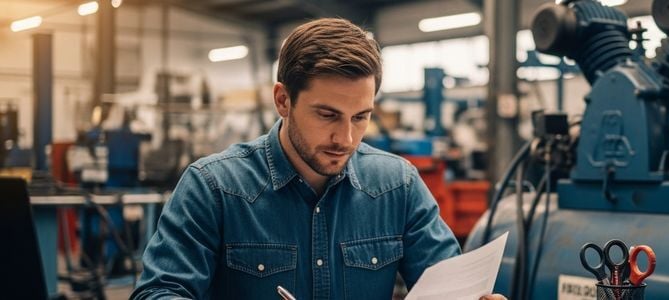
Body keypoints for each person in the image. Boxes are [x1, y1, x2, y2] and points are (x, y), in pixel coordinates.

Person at [131, 18, 505, 300]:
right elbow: (159, 292)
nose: (345, 139)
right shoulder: (214, 188)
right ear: (283, 101)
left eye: (361, 117)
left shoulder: (398, 186)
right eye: (327, 115)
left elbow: (450, 288)